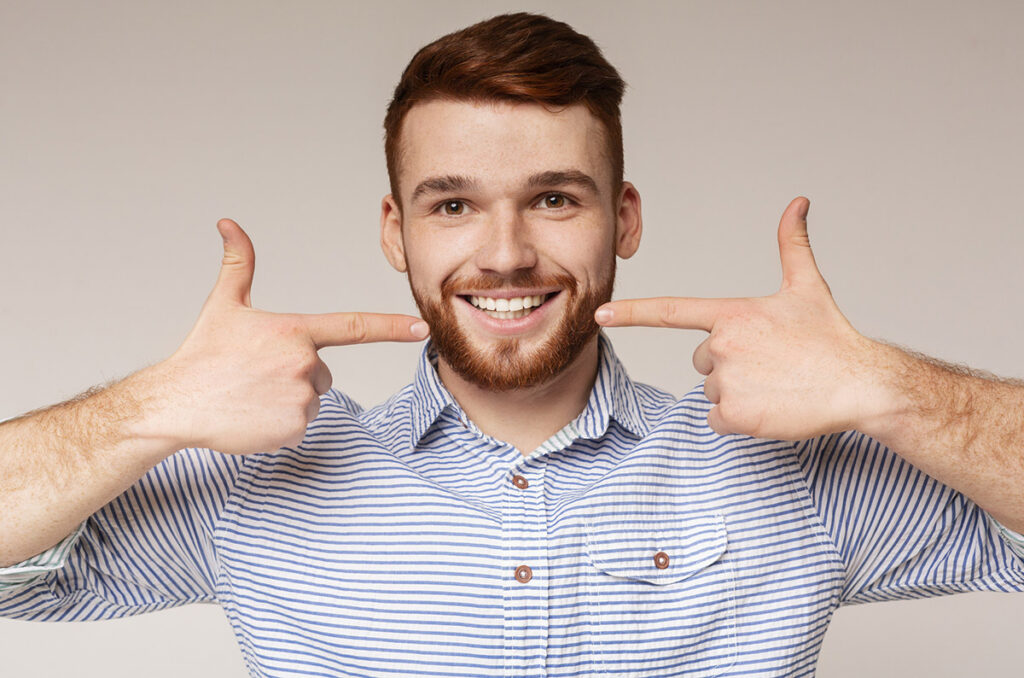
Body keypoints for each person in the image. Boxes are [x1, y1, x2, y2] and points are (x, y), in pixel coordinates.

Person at [2, 11, 1023, 677]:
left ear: (621, 219)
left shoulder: (784, 476)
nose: (505, 254)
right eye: (452, 204)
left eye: (552, 198)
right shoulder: (257, 488)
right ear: (396, 230)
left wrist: (890, 387)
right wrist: (148, 410)